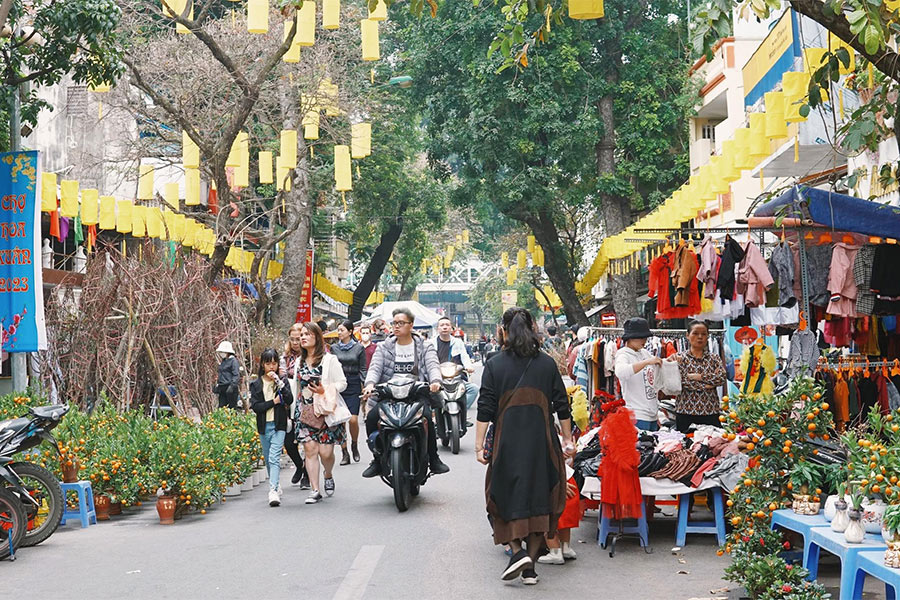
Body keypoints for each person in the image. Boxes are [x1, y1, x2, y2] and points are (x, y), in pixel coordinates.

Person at [475, 307, 573, 585]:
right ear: (533, 329)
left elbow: (485, 408)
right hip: (541, 442)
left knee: (502, 494)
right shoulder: (546, 363)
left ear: (503, 331)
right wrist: (567, 440)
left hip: (507, 443)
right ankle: (529, 569)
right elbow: (562, 406)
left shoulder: (494, 364)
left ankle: (517, 553)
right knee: (540, 496)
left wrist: (479, 445)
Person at [362, 307, 450, 477]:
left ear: (411, 325)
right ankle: (377, 458)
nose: (396, 326)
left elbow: (433, 366)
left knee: (427, 420)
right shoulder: (383, 347)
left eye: (401, 323)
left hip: (416, 395)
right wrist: (370, 384)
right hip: (389, 395)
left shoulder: (425, 346)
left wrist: (435, 382)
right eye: (394, 323)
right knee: (372, 418)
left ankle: (434, 458)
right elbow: (374, 368)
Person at [293, 322, 347, 504]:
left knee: (325, 453)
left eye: (307, 334)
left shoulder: (329, 360)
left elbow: (342, 382)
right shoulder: (298, 362)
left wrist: (326, 390)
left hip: (324, 411)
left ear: (316, 337)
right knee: (310, 450)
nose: (303, 337)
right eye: (301, 335)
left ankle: (328, 473)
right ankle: (315, 490)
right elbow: (296, 388)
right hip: (305, 411)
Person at [249, 348, 294, 507]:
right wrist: (273, 403)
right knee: (268, 458)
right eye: (268, 363)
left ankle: (273, 490)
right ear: (262, 364)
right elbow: (256, 406)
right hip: (263, 425)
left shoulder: (281, 381)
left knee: (274, 457)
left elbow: (289, 399)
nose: (271, 367)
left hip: (279, 425)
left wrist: (280, 383)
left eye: (274, 363)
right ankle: (276, 484)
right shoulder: (256, 384)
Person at [673, 320, 727, 433]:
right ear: (687, 335)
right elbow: (683, 382)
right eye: (695, 333)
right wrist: (708, 385)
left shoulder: (714, 358)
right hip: (685, 411)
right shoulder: (679, 358)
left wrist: (699, 376)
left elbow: (721, 378)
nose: (700, 337)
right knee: (684, 446)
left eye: (703, 334)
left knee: (711, 445)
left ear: (707, 336)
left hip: (710, 410)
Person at [614, 317, 663, 431]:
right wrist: (646, 362)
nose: (644, 340)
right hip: (637, 414)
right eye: (641, 337)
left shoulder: (644, 353)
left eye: (645, 337)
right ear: (630, 338)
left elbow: (657, 365)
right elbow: (620, 372)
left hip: (652, 414)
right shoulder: (623, 354)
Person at [430, 316, 478, 428]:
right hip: (437, 378)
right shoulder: (431, 343)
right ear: (438, 329)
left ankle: (462, 413)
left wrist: (468, 366)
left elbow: (465, 356)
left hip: (456, 378)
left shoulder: (458, 343)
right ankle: (433, 417)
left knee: (473, 389)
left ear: (451, 328)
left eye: (447, 325)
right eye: (442, 325)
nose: (445, 327)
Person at [331, 320, 367, 465]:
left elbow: (363, 368)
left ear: (350, 332)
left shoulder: (359, 348)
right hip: (338, 385)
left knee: (352, 419)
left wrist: (365, 385)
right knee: (340, 420)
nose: (339, 333)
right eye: (338, 330)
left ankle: (354, 444)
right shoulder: (334, 348)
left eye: (342, 330)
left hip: (353, 383)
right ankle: (344, 452)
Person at [280, 323, 309, 489]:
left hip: (305, 401)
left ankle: (306, 474)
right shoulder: (284, 357)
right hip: (288, 403)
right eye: (292, 339)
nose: (296, 342)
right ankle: (300, 465)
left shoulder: (309, 356)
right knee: (289, 442)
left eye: (298, 339)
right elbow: (281, 374)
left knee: (307, 441)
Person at [215, 341, 241, 409]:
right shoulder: (224, 361)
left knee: (231, 409)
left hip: (230, 388)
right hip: (223, 388)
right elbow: (221, 373)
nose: (221, 354)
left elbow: (236, 375)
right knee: (221, 408)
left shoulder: (233, 361)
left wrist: (232, 386)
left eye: (223, 352)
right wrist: (218, 385)